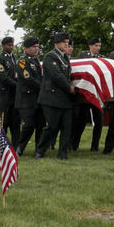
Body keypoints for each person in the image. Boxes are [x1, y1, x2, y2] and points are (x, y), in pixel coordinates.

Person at [35, 32, 75, 160]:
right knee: (52, 126)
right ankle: (40, 150)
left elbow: (67, 75)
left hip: (64, 98)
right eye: (64, 42)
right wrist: (69, 88)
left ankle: (63, 153)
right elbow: (57, 76)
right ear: (56, 43)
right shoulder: (50, 57)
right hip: (51, 97)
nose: (66, 44)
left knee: (67, 127)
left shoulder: (65, 58)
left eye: (67, 42)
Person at [72, 37, 103, 151]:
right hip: (84, 95)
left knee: (99, 122)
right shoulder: (82, 56)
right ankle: (74, 144)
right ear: (90, 46)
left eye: (99, 46)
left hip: (96, 95)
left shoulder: (102, 59)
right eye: (96, 46)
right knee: (81, 121)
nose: (98, 48)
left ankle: (95, 146)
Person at [15, 37, 44, 156]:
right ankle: (20, 147)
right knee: (29, 125)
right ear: (26, 48)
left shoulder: (36, 61)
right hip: (25, 99)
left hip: (37, 98)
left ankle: (39, 149)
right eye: (34, 47)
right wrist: (43, 87)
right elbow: (28, 78)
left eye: (37, 47)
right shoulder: (22, 61)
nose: (36, 49)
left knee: (41, 125)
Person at [0, 36, 20, 147]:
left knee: (15, 122)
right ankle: (2, 146)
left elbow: (16, 75)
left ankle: (15, 147)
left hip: (12, 96)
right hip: (1, 96)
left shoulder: (14, 58)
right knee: (3, 122)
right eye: (9, 45)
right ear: (3, 46)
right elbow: (3, 77)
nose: (11, 47)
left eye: (12, 45)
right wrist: (18, 85)